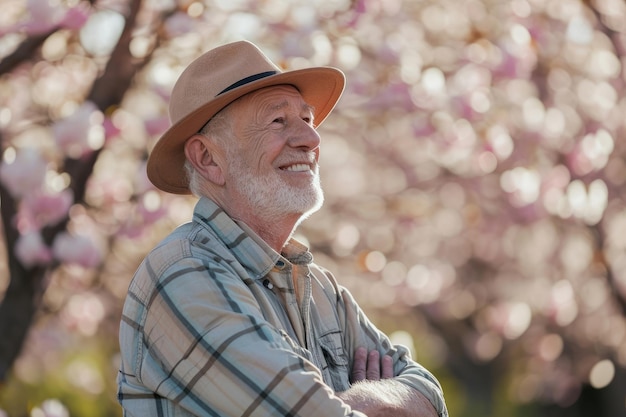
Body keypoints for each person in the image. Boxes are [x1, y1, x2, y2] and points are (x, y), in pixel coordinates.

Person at [117, 40, 448, 417]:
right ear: (208, 158)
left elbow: (431, 397)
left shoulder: (321, 288)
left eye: (306, 119)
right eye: (278, 121)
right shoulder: (184, 274)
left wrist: (371, 400)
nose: (311, 138)